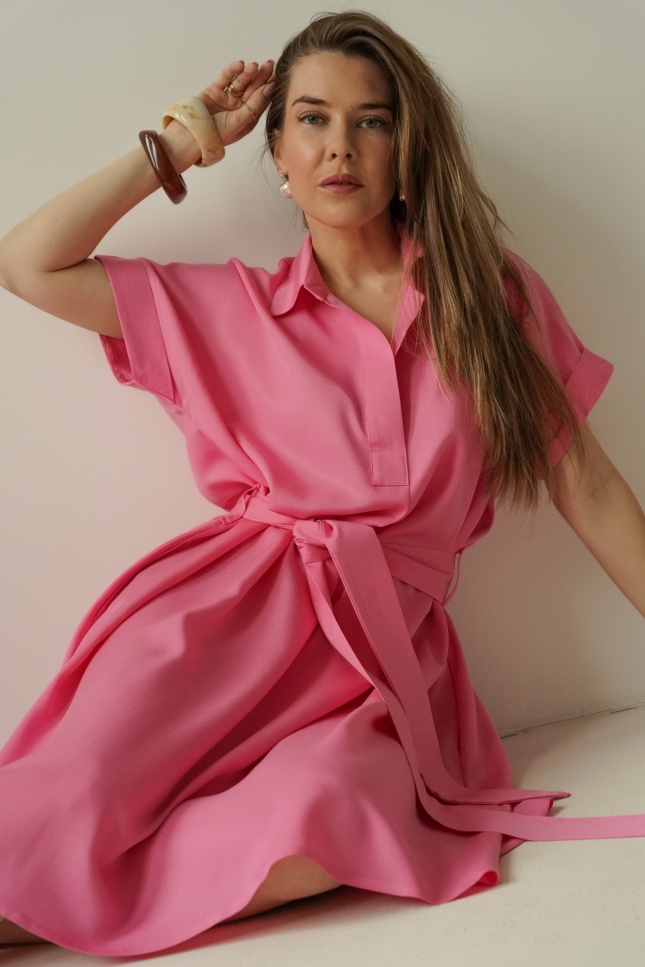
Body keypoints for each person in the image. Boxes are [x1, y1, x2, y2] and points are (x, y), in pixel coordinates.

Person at [0, 8, 643, 956]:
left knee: (326, 817)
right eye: (311, 119)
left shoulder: (488, 300)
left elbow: (585, 485)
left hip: (377, 665)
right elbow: (27, 262)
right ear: (277, 150)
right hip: (216, 627)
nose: (340, 145)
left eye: (371, 120)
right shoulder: (228, 307)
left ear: (405, 147)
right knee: (71, 794)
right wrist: (180, 141)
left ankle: (62, 908)